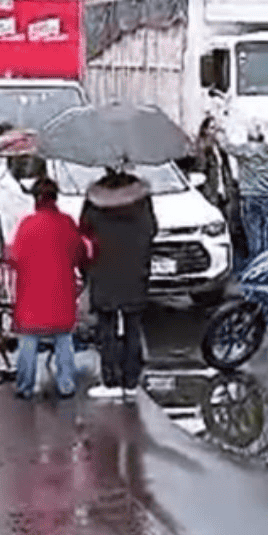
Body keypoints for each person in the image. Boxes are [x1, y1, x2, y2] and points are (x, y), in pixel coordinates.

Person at [79, 168, 158, 400]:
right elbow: (152, 229)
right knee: (133, 326)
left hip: (104, 270)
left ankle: (111, 380)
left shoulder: (94, 199)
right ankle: (131, 381)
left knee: (107, 328)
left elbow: (83, 231)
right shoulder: (141, 198)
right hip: (134, 269)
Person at [6, 176, 86, 400]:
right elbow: (79, 254)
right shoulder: (67, 223)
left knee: (28, 342)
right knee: (64, 340)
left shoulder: (27, 224)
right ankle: (66, 385)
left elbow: (15, 257)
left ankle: (25, 387)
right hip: (61, 294)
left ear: (35, 199)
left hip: (32, 295)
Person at [228, 122, 268, 260]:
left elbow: (226, 147)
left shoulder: (246, 150)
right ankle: (267, 263)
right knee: (267, 236)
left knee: (254, 235)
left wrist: (218, 130)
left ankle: (256, 264)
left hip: (251, 196)